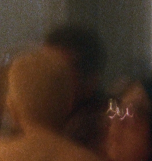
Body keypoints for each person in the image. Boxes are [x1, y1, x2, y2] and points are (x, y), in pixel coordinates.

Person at [43, 23, 108, 152]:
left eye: (58, 74)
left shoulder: (101, 129)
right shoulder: (42, 118)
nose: (45, 79)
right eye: (43, 68)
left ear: (90, 81)